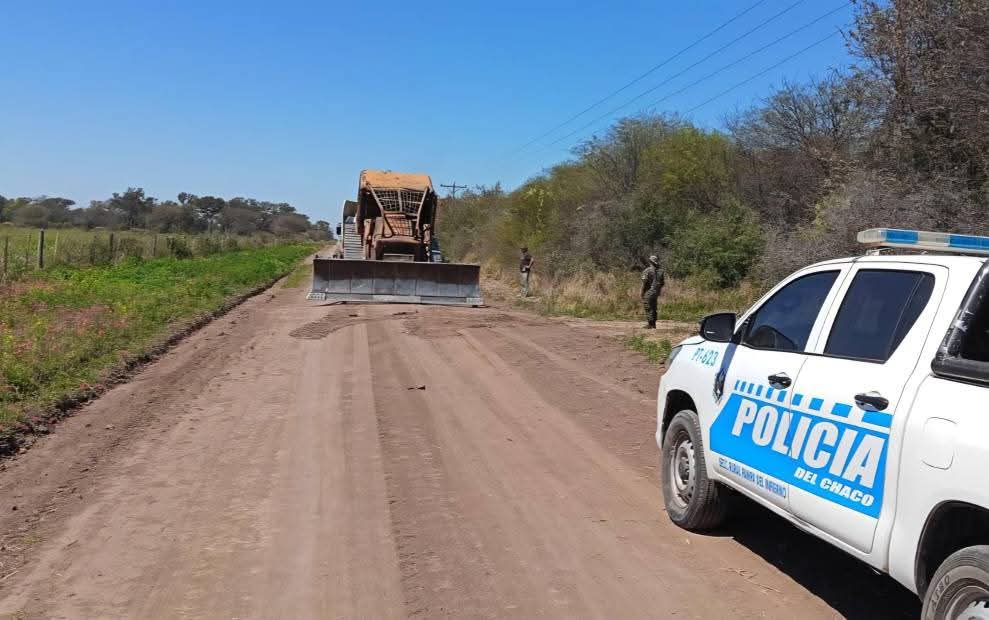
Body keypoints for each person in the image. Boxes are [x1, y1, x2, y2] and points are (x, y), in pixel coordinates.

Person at [641, 254, 664, 329]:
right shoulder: (660, 271)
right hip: (656, 291)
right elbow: (662, 283)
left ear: (650, 261)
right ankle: (653, 324)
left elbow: (644, 283)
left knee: (648, 306)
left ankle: (650, 324)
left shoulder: (647, 270)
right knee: (654, 307)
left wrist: (642, 292)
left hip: (649, 291)